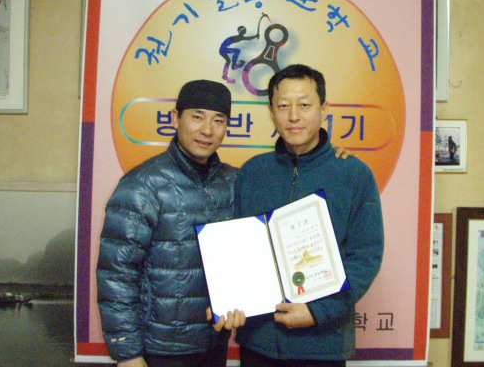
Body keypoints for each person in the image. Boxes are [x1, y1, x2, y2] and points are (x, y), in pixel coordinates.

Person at [97, 79, 352, 367]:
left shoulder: (235, 181)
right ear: (176, 118)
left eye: (218, 120)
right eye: (197, 117)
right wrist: (128, 354)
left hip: (214, 342)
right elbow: (116, 275)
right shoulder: (142, 186)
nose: (207, 130)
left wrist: (330, 158)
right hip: (159, 349)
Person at [224, 64, 385, 367]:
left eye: (304, 105)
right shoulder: (253, 172)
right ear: (271, 112)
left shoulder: (353, 174)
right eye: (283, 106)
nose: (294, 116)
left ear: (324, 109)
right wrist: (225, 298)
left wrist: (318, 312)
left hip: (322, 345)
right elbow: (235, 251)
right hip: (258, 342)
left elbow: (366, 257)